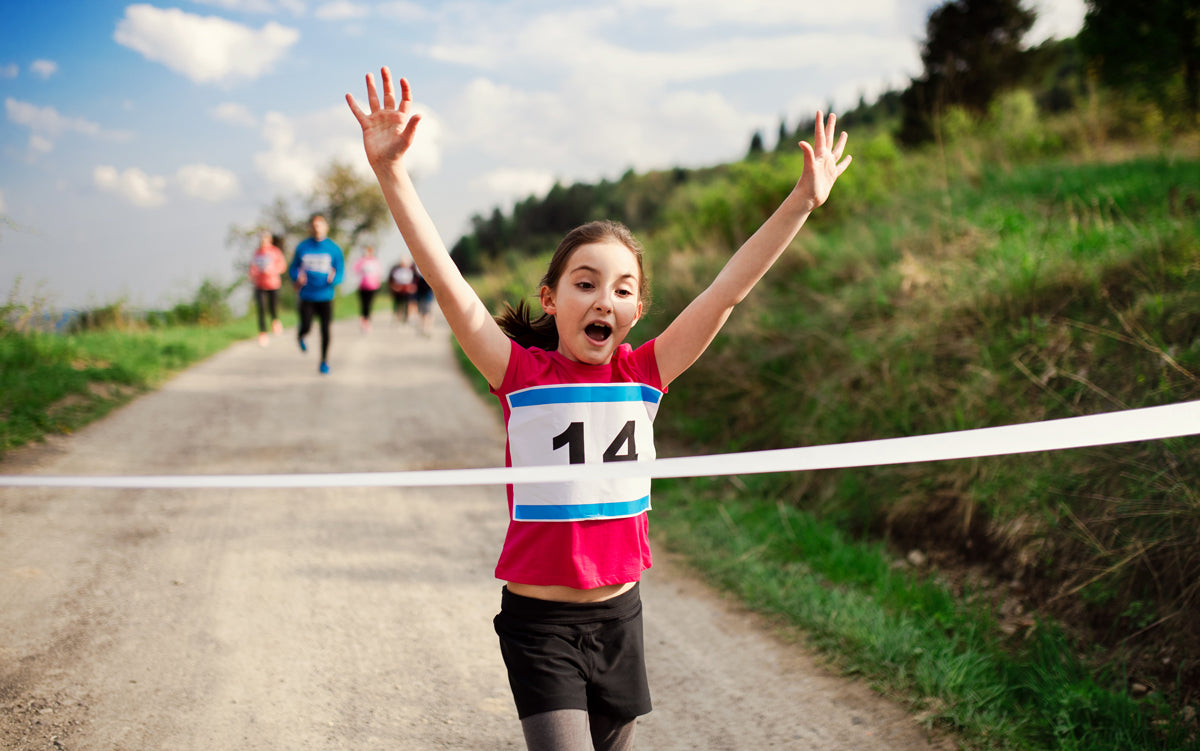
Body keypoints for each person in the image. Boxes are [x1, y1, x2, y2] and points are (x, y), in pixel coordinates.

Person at [347, 68, 850, 751]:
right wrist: (392, 174)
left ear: (636, 311)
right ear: (551, 298)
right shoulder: (518, 372)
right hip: (539, 624)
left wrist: (800, 202)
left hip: (620, 617)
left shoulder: (647, 372)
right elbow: (444, 277)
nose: (603, 299)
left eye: (621, 288)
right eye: (585, 283)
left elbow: (727, 290)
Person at [288, 214, 345, 375]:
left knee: (325, 330)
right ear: (310, 228)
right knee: (306, 325)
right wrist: (296, 277)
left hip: (326, 295)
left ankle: (324, 361)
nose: (317, 228)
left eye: (320, 225)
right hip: (307, 295)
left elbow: (340, 271)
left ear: (326, 227)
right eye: (314, 225)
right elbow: (293, 268)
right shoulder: (303, 247)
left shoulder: (333, 248)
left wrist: (335, 279)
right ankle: (301, 335)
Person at [248, 229, 286, 346]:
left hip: (273, 284)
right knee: (261, 309)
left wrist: (272, 270)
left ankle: (275, 320)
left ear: (269, 239)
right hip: (260, 285)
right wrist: (253, 273)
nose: (262, 241)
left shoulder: (275, 252)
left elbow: (282, 266)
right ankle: (262, 333)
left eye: (265, 238)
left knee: (272, 307)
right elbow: (253, 266)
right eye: (261, 239)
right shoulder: (257, 252)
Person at [354, 245, 384, 332]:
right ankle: (363, 321)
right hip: (363, 286)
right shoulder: (361, 261)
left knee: (369, 305)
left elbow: (379, 273)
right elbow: (355, 270)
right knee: (363, 304)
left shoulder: (375, 261)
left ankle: (367, 322)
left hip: (373, 286)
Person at [388, 256, 418, 324]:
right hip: (399, 290)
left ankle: (407, 317)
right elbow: (392, 280)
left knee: (408, 303)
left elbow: (415, 280)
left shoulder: (412, 270)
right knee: (398, 304)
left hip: (408, 290)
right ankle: (398, 317)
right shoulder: (396, 270)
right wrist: (394, 287)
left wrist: (412, 287)